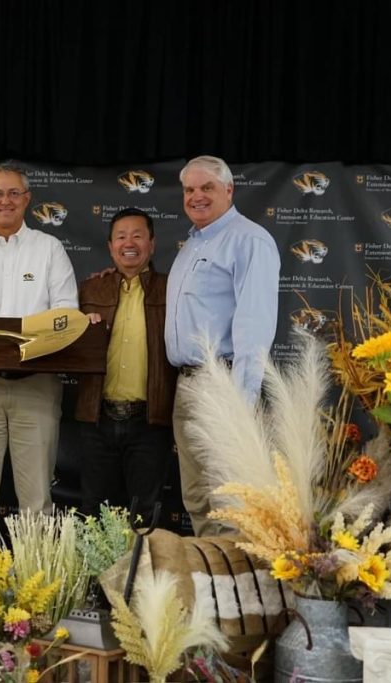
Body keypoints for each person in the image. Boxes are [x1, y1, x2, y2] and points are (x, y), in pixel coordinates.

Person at [0, 164, 78, 585]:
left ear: (27, 199)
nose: (5, 201)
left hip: (37, 387)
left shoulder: (49, 250)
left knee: (37, 499)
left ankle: (35, 594)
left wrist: (6, 331)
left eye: (13, 193)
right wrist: (19, 328)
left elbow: (65, 317)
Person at [165, 155, 280, 536]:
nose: (196, 196)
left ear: (229, 190)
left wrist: (241, 403)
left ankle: (235, 590)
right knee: (197, 497)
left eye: (207, 188)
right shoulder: (194, 244)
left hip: (225, 384)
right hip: (188, 384)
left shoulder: (248, 241)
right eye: (189, 189)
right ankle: (208, 585)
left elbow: (254, 326)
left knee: (231, 499)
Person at [74, 208, 177, 522]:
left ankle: (141, 573)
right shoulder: (90, 290)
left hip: (149, 421)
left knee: (145, 515)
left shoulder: (172, 288)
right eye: (121, 236)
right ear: (109, 246)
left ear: (152, 243)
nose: (128, 243)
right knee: (92, 513)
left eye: (137, 235)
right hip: (96, 419)